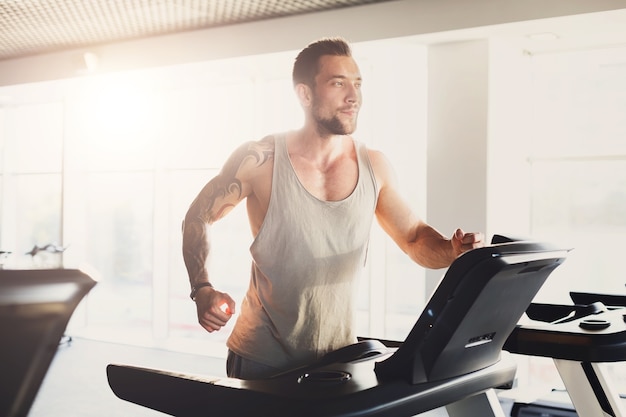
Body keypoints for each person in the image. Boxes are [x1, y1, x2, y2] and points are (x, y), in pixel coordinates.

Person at [182, 37, 484, 380]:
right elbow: (198, 216)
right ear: (305, 94)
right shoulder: (261, 159)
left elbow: (414, 237)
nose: (353, 96)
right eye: (338, 83)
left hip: (338, 361)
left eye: (357, 84)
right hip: (260, 359)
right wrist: (202, 288)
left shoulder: (375, 166)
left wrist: (452, 249)